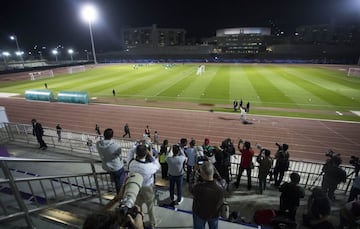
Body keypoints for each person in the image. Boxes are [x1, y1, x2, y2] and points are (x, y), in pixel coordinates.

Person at [128, 143, 160, 228]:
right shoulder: (149, 166)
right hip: (147, 187)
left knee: (138, 206)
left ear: (136, 153)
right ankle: (153, 223)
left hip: (136, 187)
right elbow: (157, 165)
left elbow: (130, 152)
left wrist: (136, 145)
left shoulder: (131, 164)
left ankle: (139, 221)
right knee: (150, 206)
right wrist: (150, 154)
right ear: (146, 153)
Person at [190, 160, 225, 229]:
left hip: (200, 214)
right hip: (214, 214)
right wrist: (212, 167)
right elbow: (219, 178)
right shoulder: (221, 186)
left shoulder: (198, 188)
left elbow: (191, 186)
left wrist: (194, 172)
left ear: (202, 174)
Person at [96, 128, 125, 195]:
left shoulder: (98, 144)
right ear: (112, 136)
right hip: (117, 167)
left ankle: (116, 191)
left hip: (107, 167)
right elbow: (119, 152)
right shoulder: (115, 146)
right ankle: (119, 196)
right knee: (120, 182)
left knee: (114, 179)